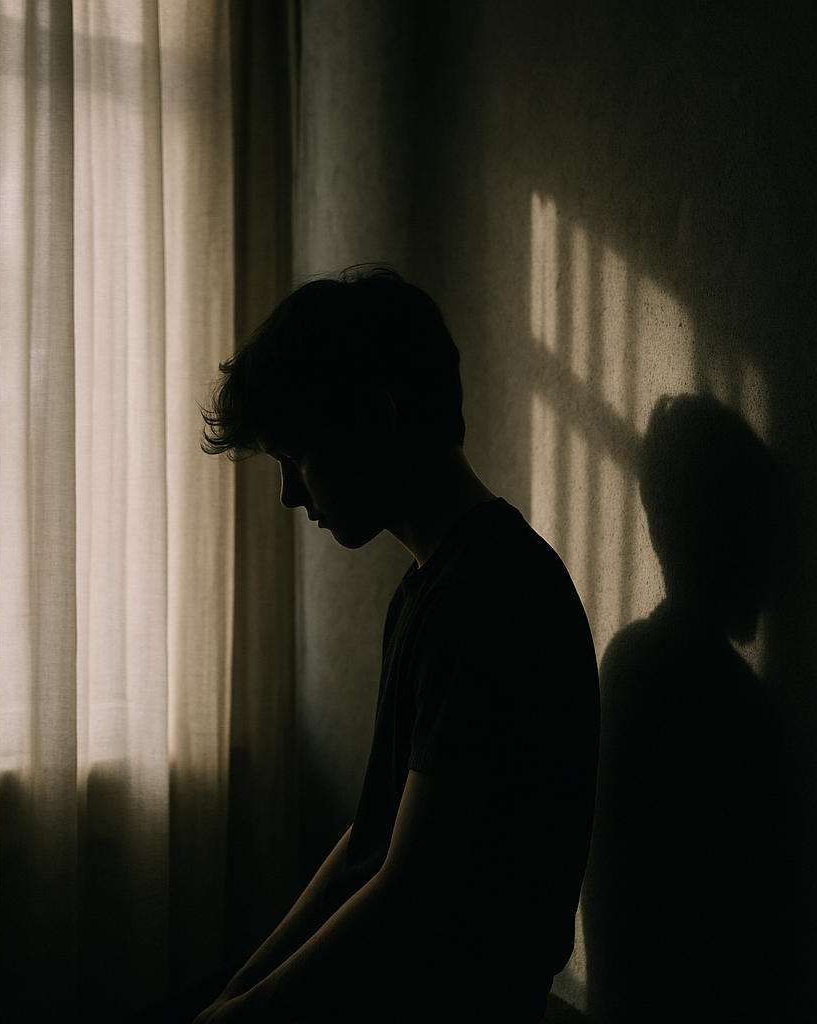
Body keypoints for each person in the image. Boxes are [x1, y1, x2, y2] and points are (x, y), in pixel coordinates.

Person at [192, 267, 599, 1023]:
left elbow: (409, 896)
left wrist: (247, 1012)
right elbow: (372, 837)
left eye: (295, 458)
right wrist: (243, 983)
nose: (290, 495)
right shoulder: (430, 589)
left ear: (377, 417)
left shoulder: (484, 599)